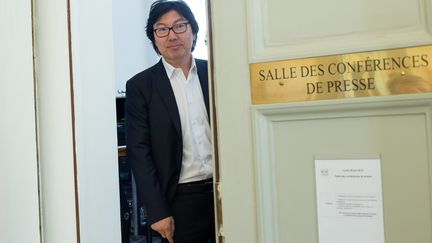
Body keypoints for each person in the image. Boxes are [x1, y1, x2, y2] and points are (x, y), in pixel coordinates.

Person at [125, 1, 215, 242]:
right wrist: (157, 210)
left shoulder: (216, 72)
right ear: (154, 38)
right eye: (161, 29)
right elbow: (139, 151)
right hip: (180, 201)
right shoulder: (141, 86)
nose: (171, 35)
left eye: (179, 26)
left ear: (193, 31)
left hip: (224, 192)